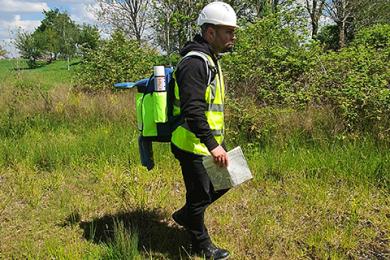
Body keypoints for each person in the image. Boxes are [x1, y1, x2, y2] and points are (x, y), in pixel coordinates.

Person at [170, 2, 238, 259]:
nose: (233, 37)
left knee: (228, 179)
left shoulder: (210, 59)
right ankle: (201, 245)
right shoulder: (194, 64)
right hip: (191, 144)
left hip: (204, 143)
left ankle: (186, 215)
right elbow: (193, 110)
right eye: (228, 32)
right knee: (199, 196)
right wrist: (213, 145)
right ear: (210, 33)